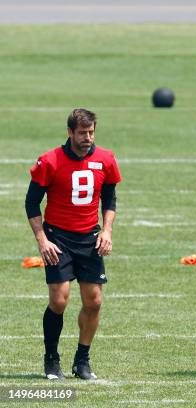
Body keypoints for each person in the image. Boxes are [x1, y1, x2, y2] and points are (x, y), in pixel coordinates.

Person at [25, 108, 121, 380]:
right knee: (59, 300)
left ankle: (82, 361)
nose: (87, 138)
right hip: (57, 238)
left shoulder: (105, 159)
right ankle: (51, 359)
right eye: (82, 133)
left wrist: (107, 231)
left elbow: (109, 198)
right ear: (69, 132)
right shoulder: (50, 161)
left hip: (90, 238)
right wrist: (42, 240)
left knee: (94, 301)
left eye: (91, 132)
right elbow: (31, 203)